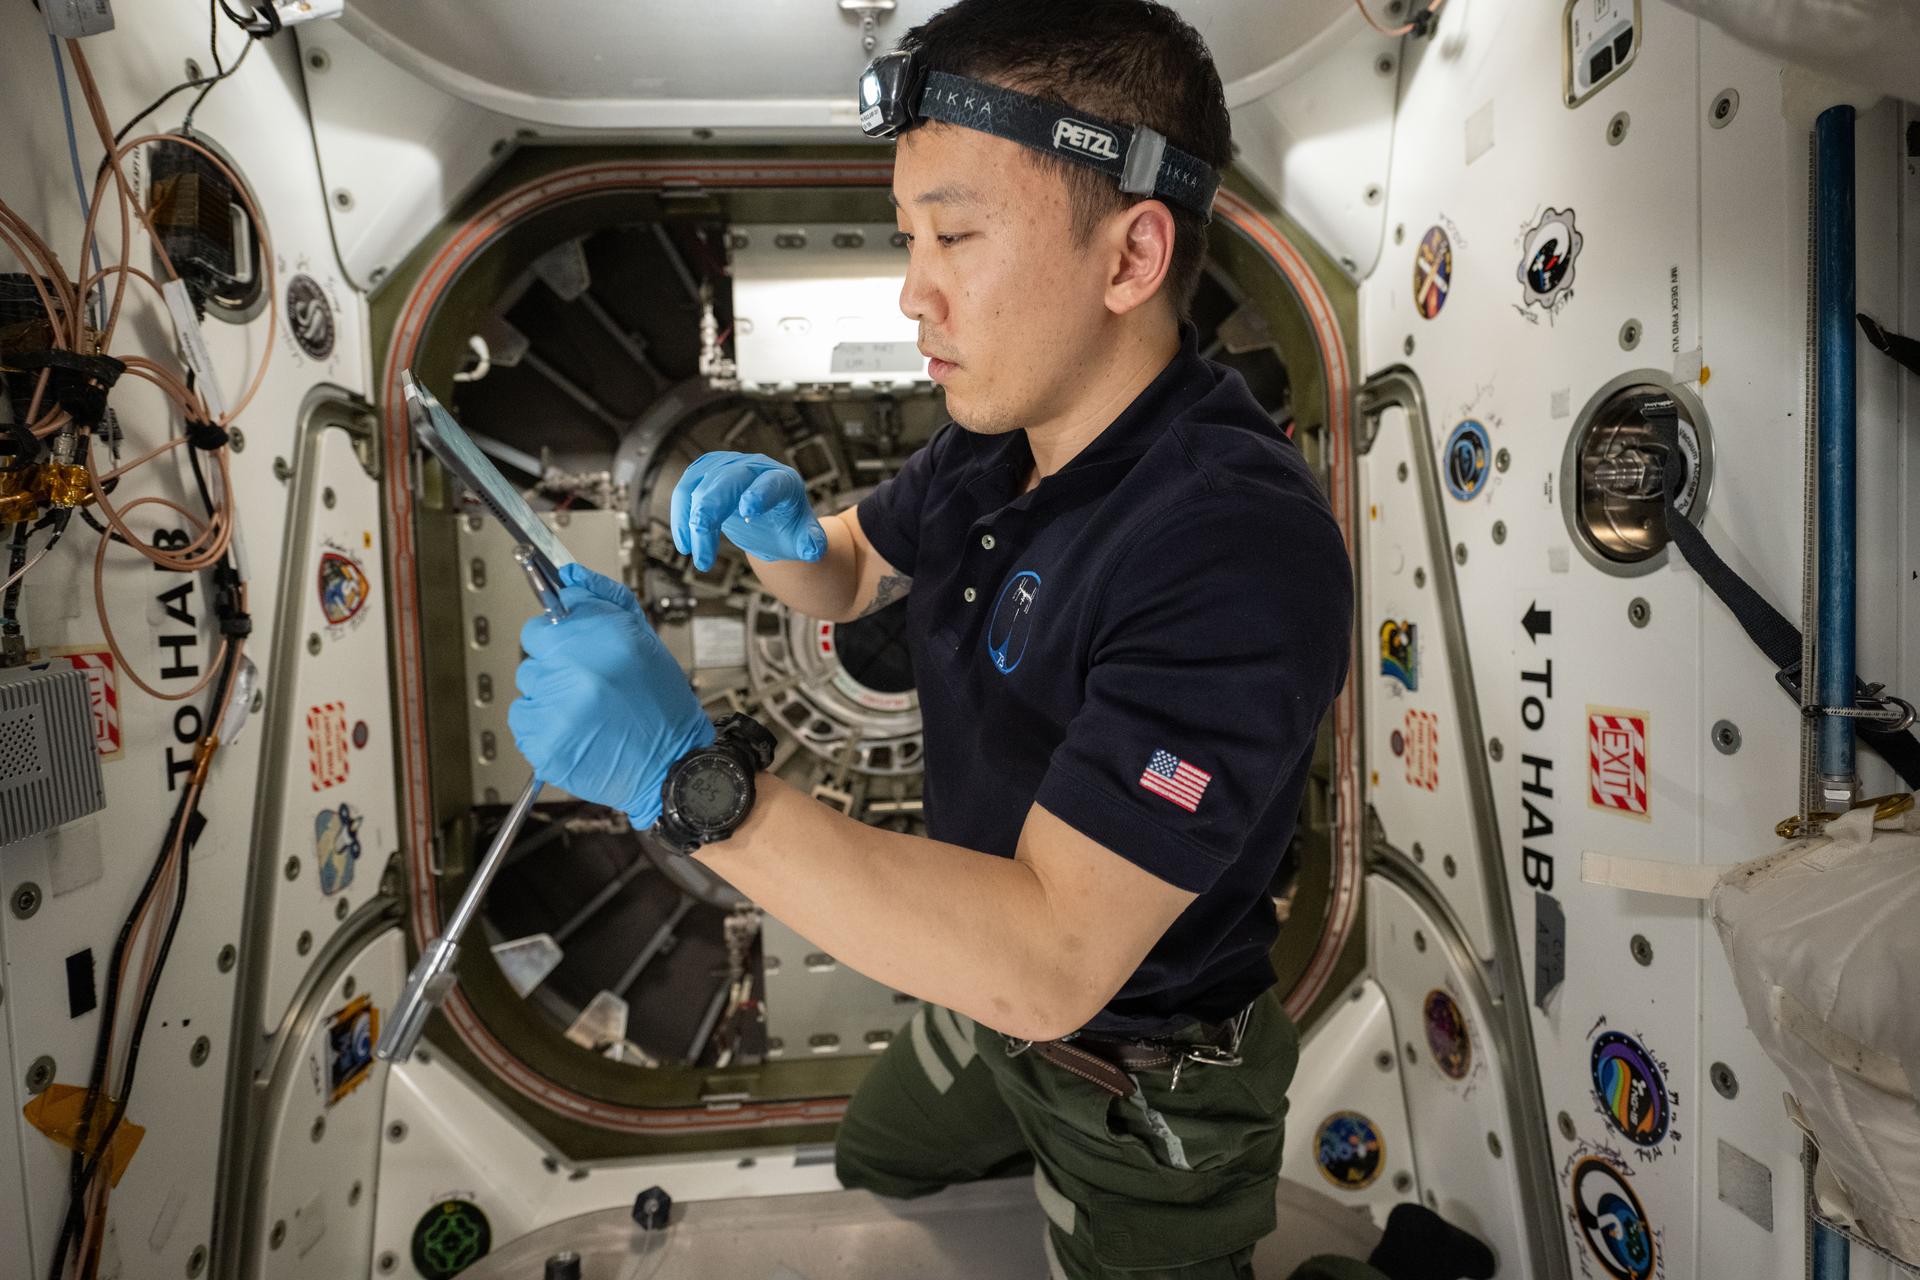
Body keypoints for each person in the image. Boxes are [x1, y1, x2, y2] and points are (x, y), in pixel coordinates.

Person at [509, 2, 1494, 1276]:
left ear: (1131, 257)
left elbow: (1051, 959)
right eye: (907, 235)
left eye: (956, 236)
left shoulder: (1233, 547)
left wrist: (684, 783)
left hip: (1142, 1076)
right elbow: (860, 565)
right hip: (988, 1007)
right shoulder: (1000, 434)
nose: (912, 289)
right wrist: (786, 538)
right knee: (882, 1160)